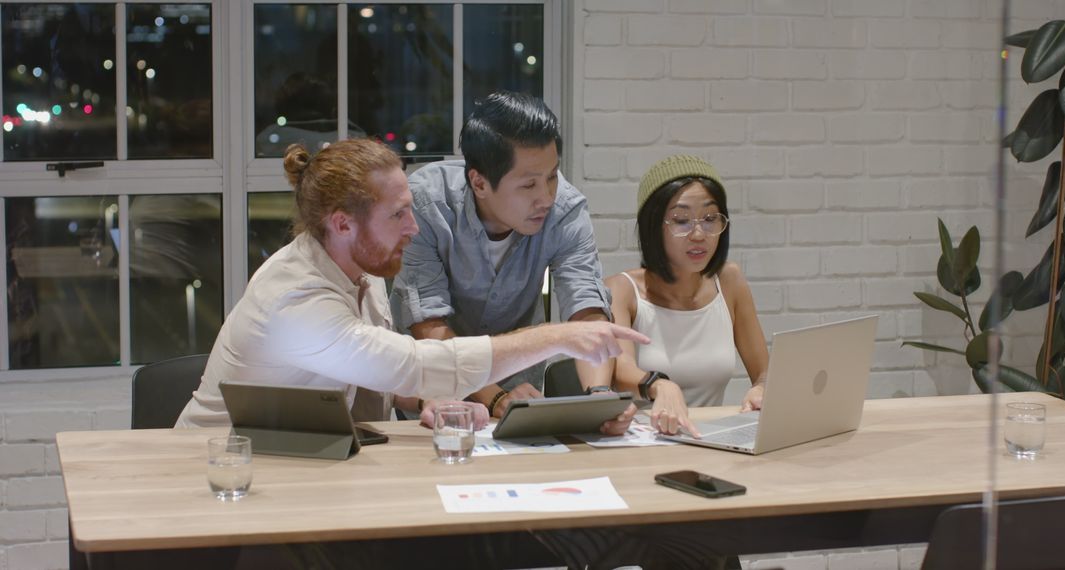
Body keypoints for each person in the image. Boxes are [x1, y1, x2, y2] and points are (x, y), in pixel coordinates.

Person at [174, 137, 647, 430]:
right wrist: (559, 335)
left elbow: (379, 374)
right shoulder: (295, 298)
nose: (414, 227)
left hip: (290, 464)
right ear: (342, 224)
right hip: (214, 478)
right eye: (398, 214)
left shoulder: (361, 269)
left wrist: (428, 399)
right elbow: (408, 361)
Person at [390, 91, 613, 418]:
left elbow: (586, 310)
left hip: (520, 388)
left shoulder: (566, 209)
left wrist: (600, 397)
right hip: (436, 390)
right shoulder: (427, 205)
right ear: (479, 183)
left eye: (552, 176)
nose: (546, 197)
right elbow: (428, 324)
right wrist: (493, 398)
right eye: (528, 185)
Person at [604, 155, 769, 437]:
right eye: (681, 221)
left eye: (709, 219)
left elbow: (765, 373)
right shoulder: (622, 290)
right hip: (640, 444)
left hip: (711, 440)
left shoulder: (729, 282)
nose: (698, 234)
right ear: (653, 227)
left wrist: (761, 391)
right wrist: (659, 384)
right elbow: (620, 370)